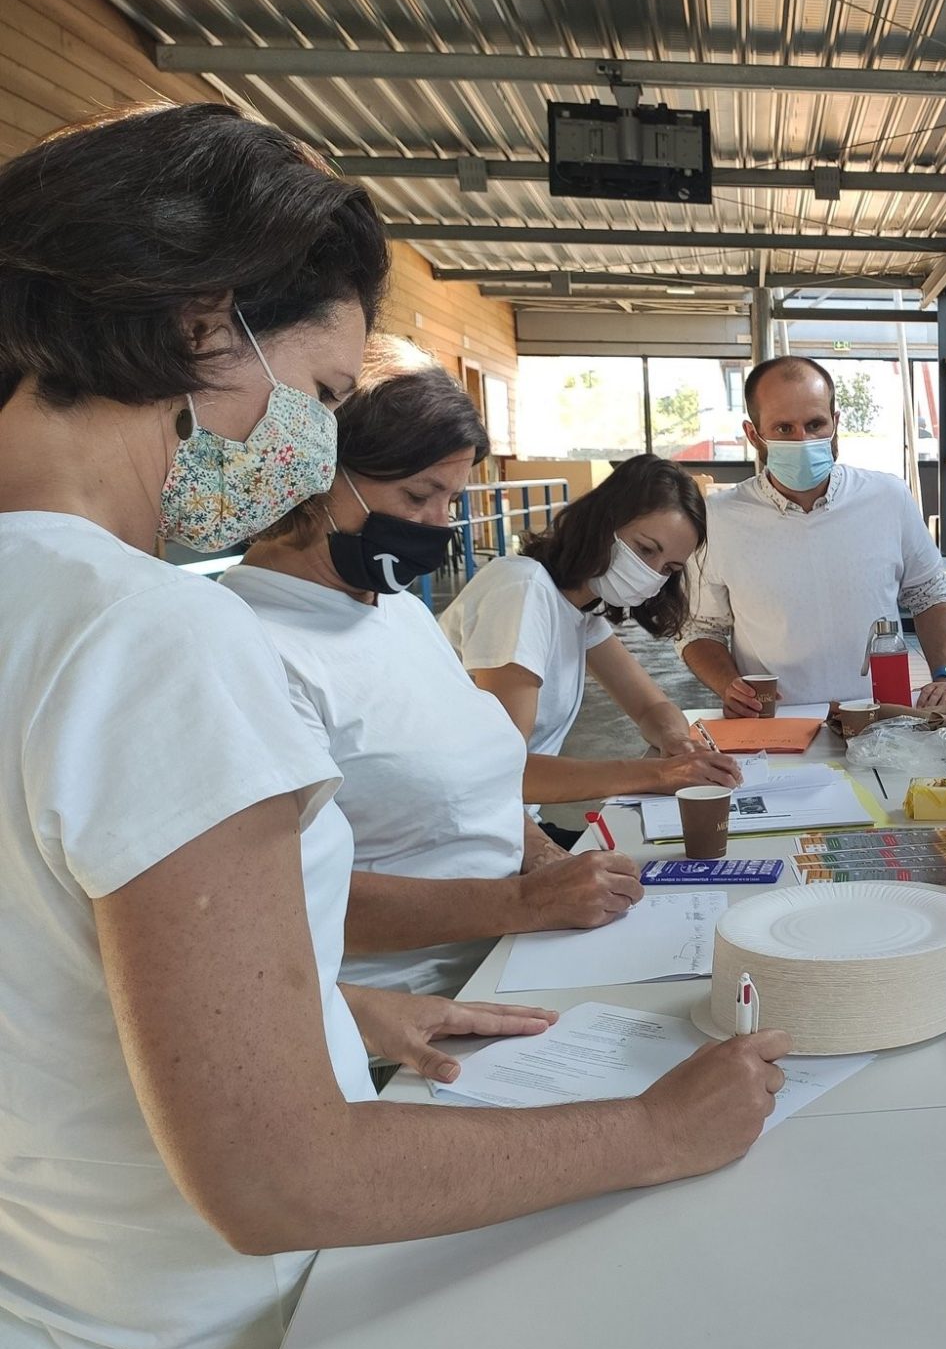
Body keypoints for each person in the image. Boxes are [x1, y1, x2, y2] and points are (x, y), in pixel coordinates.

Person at [0, 103, 787, 1349]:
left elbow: (46, 958)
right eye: (314, 393)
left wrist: (323, 1000)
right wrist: (656, 1131)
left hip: (49, 1336)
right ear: (201, 323)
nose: (311, 445)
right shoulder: (154, 633)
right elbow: (277, 1179)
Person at [223, 338, 655, 997]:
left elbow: (478, 780)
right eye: (420, 495)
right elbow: (275, 901)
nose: (438, 525)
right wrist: (522, 904)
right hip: (408, 1012)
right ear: (315, 471)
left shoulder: (392, 609)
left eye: (451, 499)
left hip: (507, 960)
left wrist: (543, 858)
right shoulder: (248, 644)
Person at [440, 451, 740, 819]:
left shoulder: (581, 614)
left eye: (669, 568)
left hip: (508, 824)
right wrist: (658, 772)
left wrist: (677, 742)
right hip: (461, 831)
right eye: (645, 549)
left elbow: (652, 707)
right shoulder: (522, 589)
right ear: (604, 520)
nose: (651, 573)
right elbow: (505, 771)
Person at [680, 355, 946, 714]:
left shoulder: (888, 498)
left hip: (883, 716)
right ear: (754, 435)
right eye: (784, 429)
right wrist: (729, 686)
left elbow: (929, 595)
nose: (803, 440)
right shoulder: (719, 519)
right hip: (777, 723)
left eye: (815, 424)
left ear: (836, 422)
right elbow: (699, 629)